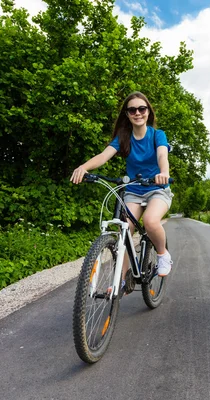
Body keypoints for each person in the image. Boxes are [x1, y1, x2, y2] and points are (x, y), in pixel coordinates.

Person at [70, 92, 173, 287]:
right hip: (133, 191)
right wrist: (83, 167)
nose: (137, 113)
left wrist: (164, 172)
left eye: (141, 109)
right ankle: (123, 280)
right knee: (124, 230)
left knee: (151, 221)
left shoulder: (157, 135)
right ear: (127, 114)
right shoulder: (123, 137)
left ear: (148, 112)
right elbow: (103, 156)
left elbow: (162, 156)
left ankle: (162, 254)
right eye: (132, 110)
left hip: (157, 188)